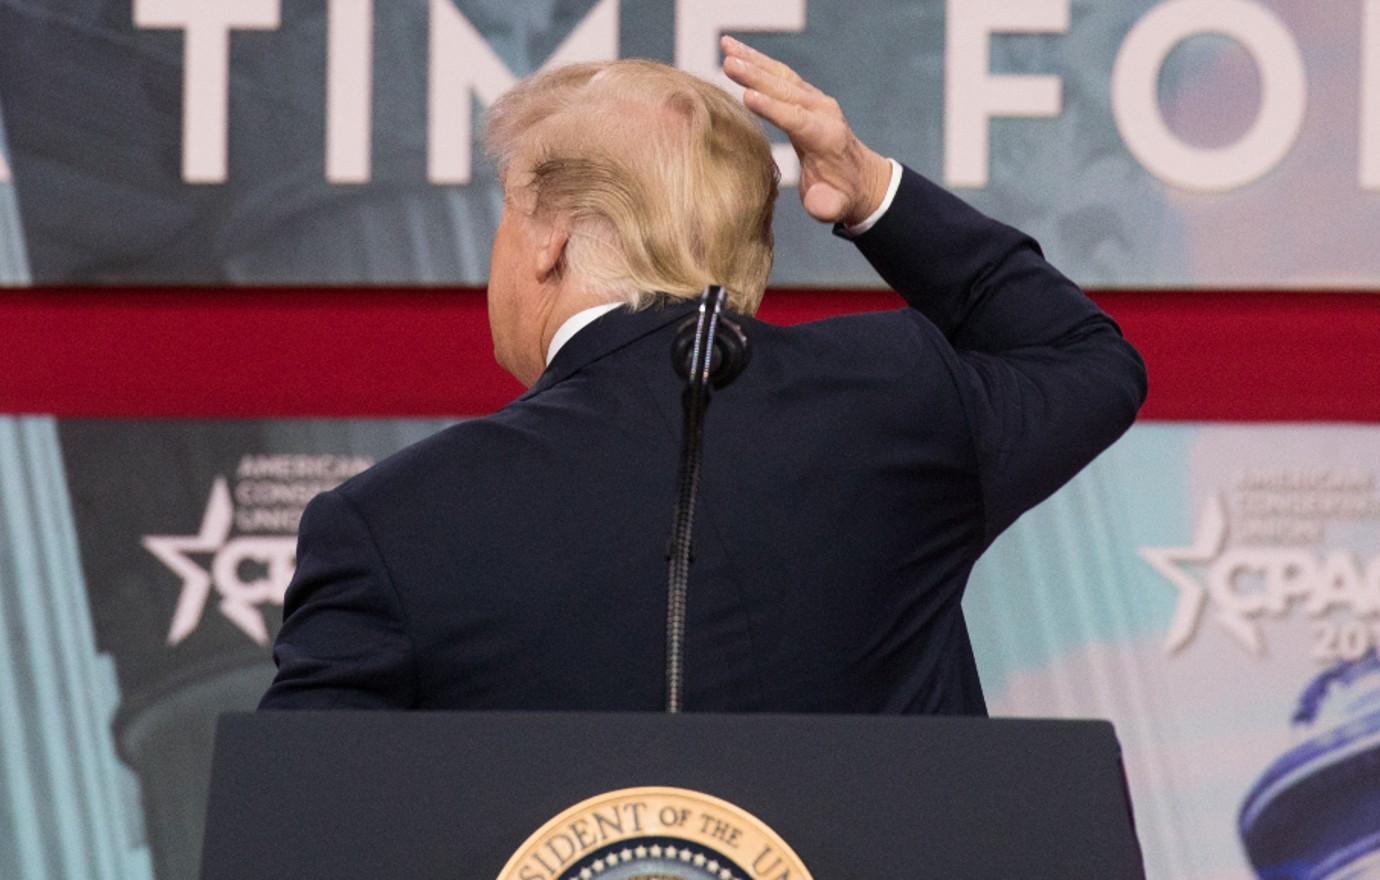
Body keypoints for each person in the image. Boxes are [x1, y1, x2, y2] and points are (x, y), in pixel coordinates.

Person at [259, 38, 1146, 714]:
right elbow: (1087, 360)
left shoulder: (391, 523)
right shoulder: (899, 395)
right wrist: (874, 191)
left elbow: (302, 823)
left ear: (548, 236)